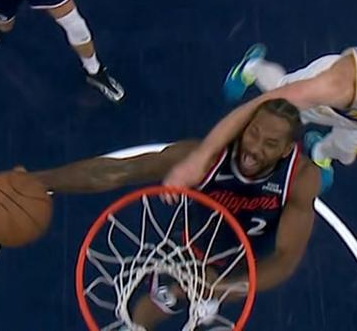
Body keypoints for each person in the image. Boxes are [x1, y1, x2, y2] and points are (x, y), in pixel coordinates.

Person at [27, 99, 320, 329]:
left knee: (201, 298)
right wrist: (40, 181)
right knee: (160, 302)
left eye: (270, 144)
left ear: (286, 150)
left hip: (247, 260)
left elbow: (285, 259)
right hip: (193, 246)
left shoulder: (300, 178)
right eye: (253, 133)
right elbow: (118, 171)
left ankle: (203, 300)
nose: (254, 148)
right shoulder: (203, 158)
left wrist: (223, 288)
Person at [166, 36, 357, 193]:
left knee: (346, 152)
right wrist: (198, 160)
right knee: (278, 93)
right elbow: (254, 109)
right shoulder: (335, 84)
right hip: (326, 102)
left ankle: (321, 152)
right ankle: (252, 67)